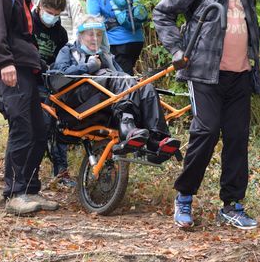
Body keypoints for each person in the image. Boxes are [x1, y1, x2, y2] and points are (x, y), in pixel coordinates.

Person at [152, 0, 260, 230]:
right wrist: (176, 48)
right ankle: (185, 196)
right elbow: (163, 13)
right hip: (204, 72)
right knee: (207, 131)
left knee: (238, 137)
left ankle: (232, 205)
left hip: (240, 73)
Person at [0, 0, 59, 215]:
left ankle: (31, 189)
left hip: (27, 70)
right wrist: (4, 62)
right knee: (22, 127)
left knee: (39, 129)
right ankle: (14, 193)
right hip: (10, 69)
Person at [51, 16, 179, 163]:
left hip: (106, 100)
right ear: (80, 35)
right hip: (77, 99)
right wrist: (87, 67)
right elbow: (57, 77)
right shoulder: (69, 51)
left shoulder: (106, 56)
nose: (95, 38)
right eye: (90, 34)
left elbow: (124, 79)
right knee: (114, 77)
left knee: (145, 87)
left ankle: (157, 139)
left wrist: (138, 85)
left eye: (99, 34)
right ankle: (127, 127)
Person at [31, 0, 75, 186]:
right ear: (40, 7)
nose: (53, 18)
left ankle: (61, 172)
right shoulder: (28, 23)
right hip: (30, 82)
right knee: (36, 128)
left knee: (59, 125)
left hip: (51, 83)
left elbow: (61, 62)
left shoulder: (61, 33)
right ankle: (30, 172)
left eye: (57, 15)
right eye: (49, 13)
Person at [75, 0, 145, 75]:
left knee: (121, 80)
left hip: (117, 43)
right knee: (126, 74)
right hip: (137, 40)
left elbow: (94, 24)